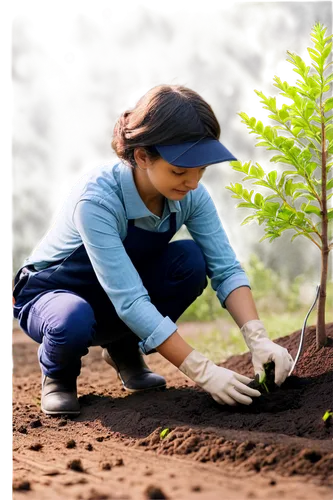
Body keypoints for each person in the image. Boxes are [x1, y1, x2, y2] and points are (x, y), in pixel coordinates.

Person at [12, 82, 294, 416]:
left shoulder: (190, 194)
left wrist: (257, 337)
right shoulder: (98, 199)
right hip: (52, 294)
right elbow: (130, 300)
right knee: (71, 320)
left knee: (190, 261)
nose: (191, 182)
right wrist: (202, 371)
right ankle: (58, 376)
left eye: (200, 170)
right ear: (143, 155)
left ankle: (124, 348)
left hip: (114, 294)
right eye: (179, 170)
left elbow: (226, 268)